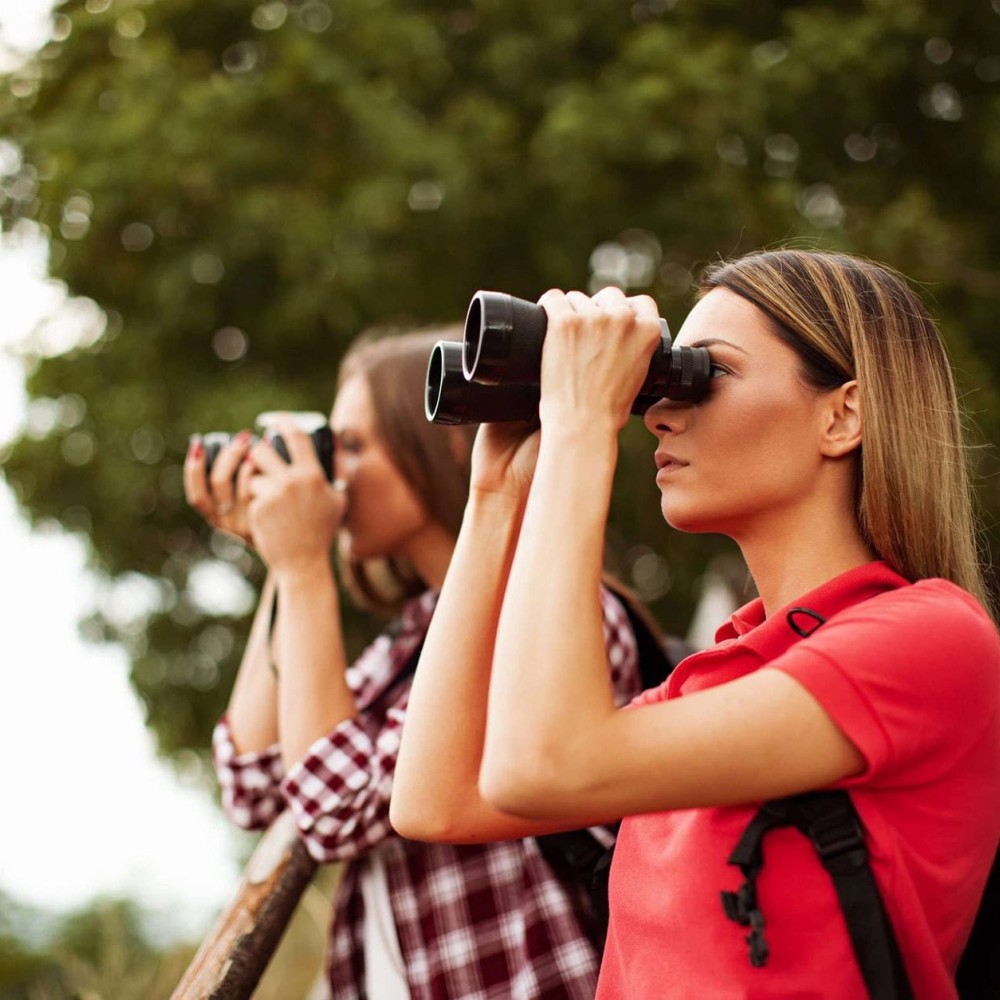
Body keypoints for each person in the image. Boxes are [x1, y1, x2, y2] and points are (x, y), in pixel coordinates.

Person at [391, 250, 1000, 998]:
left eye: (705, 374)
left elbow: (543, 765)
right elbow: (434, 799)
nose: (656, 412)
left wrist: (582, 426)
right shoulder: (723, 675)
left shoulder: (932, 639)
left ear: (842, 415)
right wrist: (495, 493)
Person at [183, 328, 646, 999]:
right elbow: (258, 780)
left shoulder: (552, 615)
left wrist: (305, 566)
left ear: (451, 436)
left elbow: (332, 805)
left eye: (352, 447)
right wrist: (280, 563)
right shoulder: (415, 640)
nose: (331, 476)